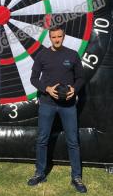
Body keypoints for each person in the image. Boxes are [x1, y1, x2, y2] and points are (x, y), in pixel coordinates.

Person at [27, 26, 87, 193]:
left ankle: (76, 177)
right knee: (42, 139)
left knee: (73, 141)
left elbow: (81, 77)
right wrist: (47, 89)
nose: (57, 39)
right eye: (54, 37)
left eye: (59, 36)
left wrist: (75, 89)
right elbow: (33, 78)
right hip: (47, 104)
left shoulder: (72, 55)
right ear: (49, 37)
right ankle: (40, 173)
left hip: (68, 106)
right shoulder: (42, 55)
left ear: (64, 36)